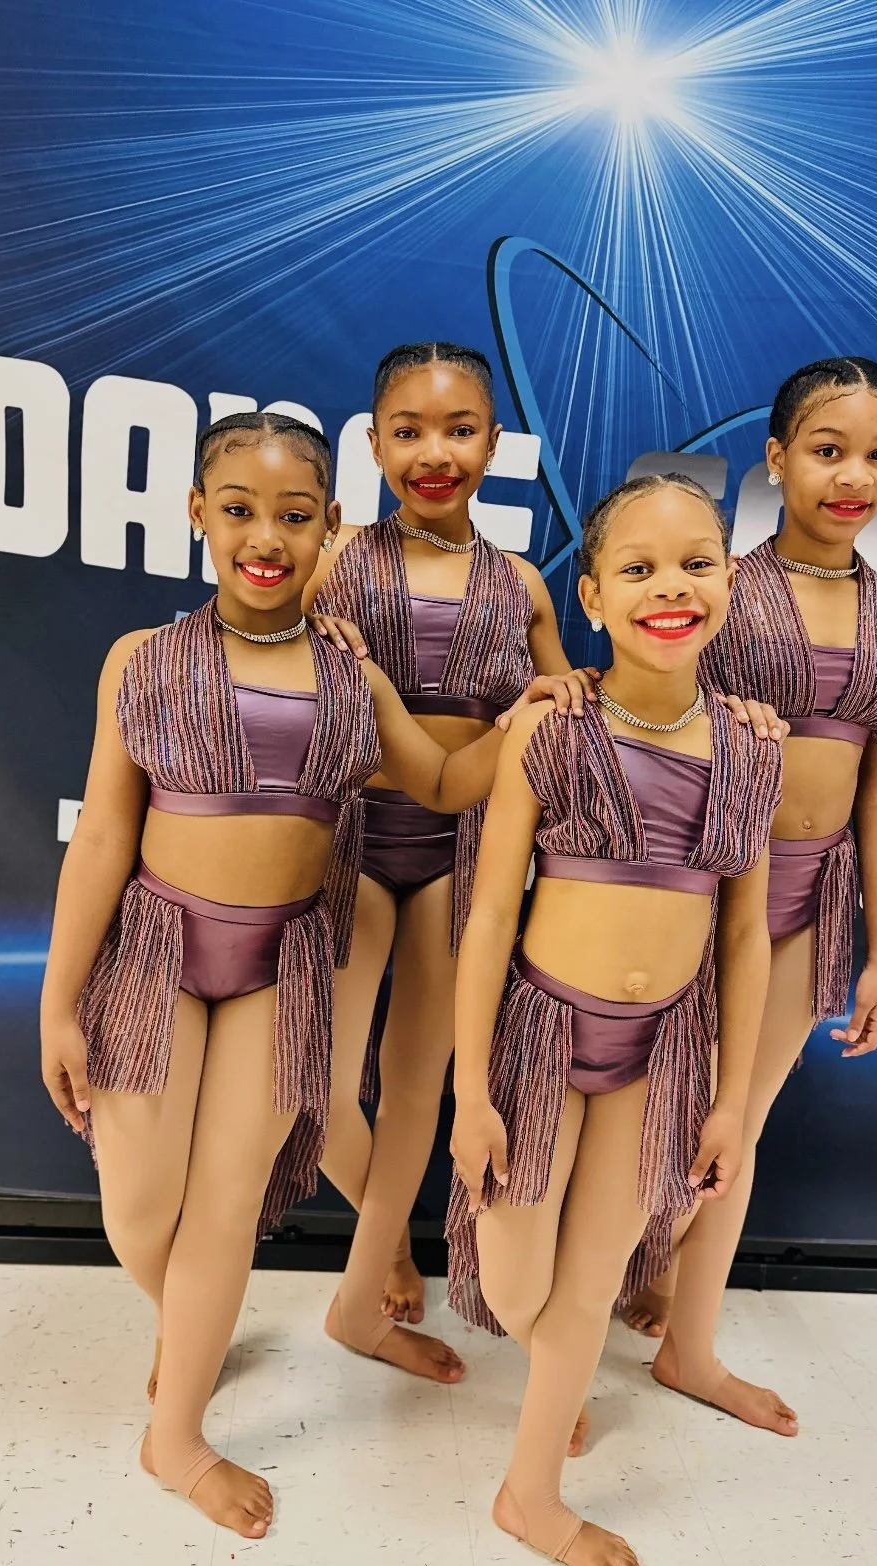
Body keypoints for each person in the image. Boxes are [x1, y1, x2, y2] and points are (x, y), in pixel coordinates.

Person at [38, 411, 586, 1537]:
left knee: (229, 1208)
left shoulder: (351, 673)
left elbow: (439, 783)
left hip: (282, 960)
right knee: (144, 1209)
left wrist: (526, 715)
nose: (265, 538)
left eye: (294, 515)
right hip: (156, 955)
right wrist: (57, 1000)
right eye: (238, 510)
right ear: (197, 514)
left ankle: (177, 1436)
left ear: (329, 525)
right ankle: (184, 1319)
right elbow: (101, 836)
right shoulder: (140, 661)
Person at [446, 474, 782, 1566]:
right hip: (542, 1039)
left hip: (664, 1048)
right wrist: (473, 1094)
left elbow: (745, 937)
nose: (669, 587)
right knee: (517, 1286)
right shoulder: (552, 730)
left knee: (589, 1288)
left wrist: (732, 1098)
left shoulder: (748, 748)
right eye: (637, 569)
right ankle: (556, 1371)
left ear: (730, 581)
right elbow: (490, 914)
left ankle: (529, 1494)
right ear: (591, 596)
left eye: (696, 563)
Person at [626, 358, 877, 1436]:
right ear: (776, 457)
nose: (855, 476)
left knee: (730, 1126)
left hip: (808, 907)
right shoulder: (720, 591)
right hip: (692, 896)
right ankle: (574, 1322)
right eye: (828, 449)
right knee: (636, 1123)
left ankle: (688, 1348)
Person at [305, 342, 590, 1377]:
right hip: (346, 846)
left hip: (456, 860)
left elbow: (575, 717)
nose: (436, 453)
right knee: (320, 1091)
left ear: (496, 444)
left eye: (459, 430)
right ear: (372, 442)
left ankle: (362, 1293)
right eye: (409, 432)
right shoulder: (332, 563)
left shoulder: (519, 585)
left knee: (415, 1088)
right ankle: (381, 1240)